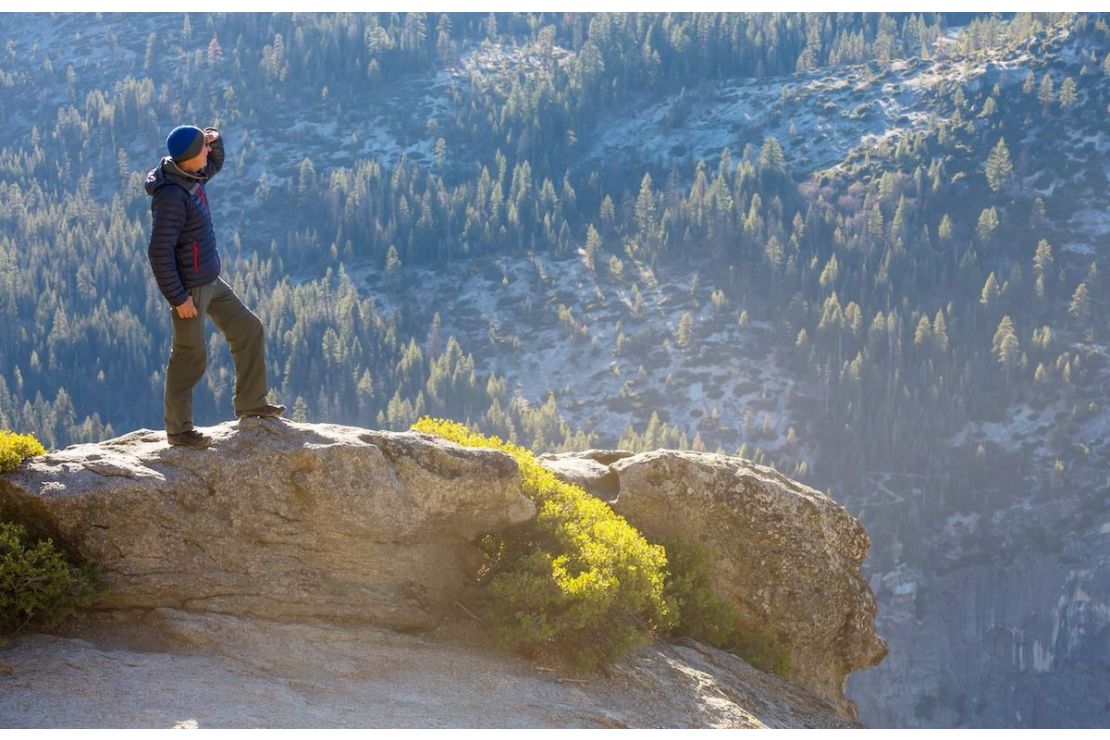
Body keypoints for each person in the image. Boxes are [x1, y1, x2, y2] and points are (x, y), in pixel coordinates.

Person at [144, 125, 284, 448]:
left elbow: (214, 162)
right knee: (189, 357)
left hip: (210, 279)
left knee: (249, 329)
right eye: (203, 149)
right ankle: (179, 431)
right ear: (190, 157)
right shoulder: (171, 196)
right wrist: (178, 298)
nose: (208, 153)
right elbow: (159, 252)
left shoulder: (191, 176)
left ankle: (251, 404)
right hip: (189, 291)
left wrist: (214, 141)